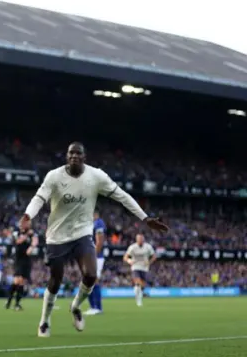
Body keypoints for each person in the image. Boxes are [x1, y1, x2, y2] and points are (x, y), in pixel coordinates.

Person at [19, 142, 168, 337]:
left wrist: (145, 218)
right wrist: (28, 215)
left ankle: (75, 307)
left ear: (84, 157)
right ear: (66, 156)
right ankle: (44, 321)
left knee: (90, 275)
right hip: (57, 236)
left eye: (78, 153)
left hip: (82, 234)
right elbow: (39, 198)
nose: (74, 156)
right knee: (55, 280)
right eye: (70, 153)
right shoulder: (54, 176)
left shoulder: (96, 176)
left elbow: (122, 196)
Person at [5, 229, 36, 311]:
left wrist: (32, 245)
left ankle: (15, 303)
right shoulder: (16, 232)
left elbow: (35, 241)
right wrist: (27, 235)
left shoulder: (31, 234)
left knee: (20, 282)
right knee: (17, 281)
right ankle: (11, 302)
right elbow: (18, 242)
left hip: (26, 260)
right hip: (18, 260)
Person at [123, 233, 156, 307]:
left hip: (144, 268)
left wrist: (149, 262)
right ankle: (139, 300)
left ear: (143, 239)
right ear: (136, 239)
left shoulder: (148, 247)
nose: (140, 240)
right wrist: (129, 261)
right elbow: (125, 257)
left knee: (142, 286)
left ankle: (138, 295)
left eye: (141, 239)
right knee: (138, 282)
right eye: (139, 239)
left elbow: (154, 256)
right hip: (135, 267)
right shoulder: (132, 247)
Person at [85, 211, 106, 315]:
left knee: (93, 281)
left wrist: (94, 255)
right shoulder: (91, 224)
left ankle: (98, 308)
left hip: (96, 257)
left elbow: (100, 241)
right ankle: (93, 307)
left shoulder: (98, 223)